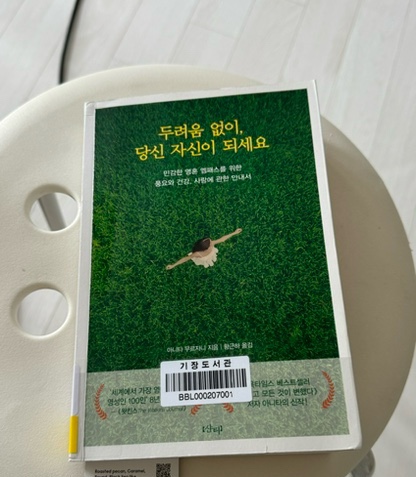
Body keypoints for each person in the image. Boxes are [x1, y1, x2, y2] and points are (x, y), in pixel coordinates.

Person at [166, 228, 243, 270]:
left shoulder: (211, 244)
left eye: (209, 240)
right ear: (205, 248)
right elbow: (185, 259)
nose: (211, 241)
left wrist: (234, 233)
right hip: (203, 258)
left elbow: (222, 239)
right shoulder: (198, 253)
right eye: (210, 241)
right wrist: (173, 265)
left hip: (207, 255)